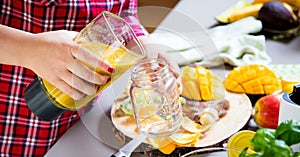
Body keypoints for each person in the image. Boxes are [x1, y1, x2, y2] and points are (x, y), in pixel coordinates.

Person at [0, 0, 179, 156]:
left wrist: (142, 45)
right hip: (13, 128)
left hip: (79, 128)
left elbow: (123, 12)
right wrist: (28, 50)